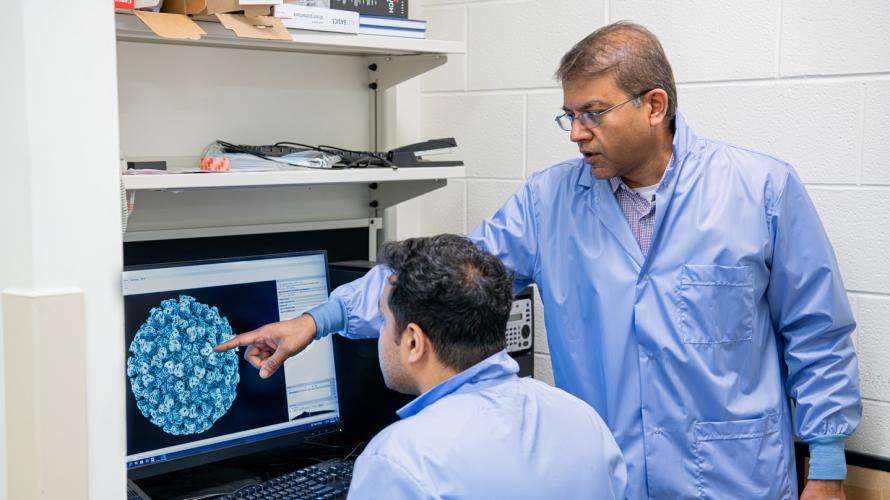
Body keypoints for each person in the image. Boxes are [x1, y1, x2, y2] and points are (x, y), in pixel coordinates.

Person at [216, 22, 861, 499]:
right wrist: (318, 320)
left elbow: (817, 332)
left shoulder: (761, 190)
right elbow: (442, 275)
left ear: (655, 106)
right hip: (604, 477)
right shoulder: (551, 201)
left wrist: (827, 468)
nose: (577, 132)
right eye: (569, 115)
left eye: (593, 113)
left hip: (732, 480)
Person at [220, 234, 627, 499]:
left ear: (413, 342)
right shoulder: (581, 419)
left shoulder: (402, 460)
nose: (381, 334)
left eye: (383, 320)